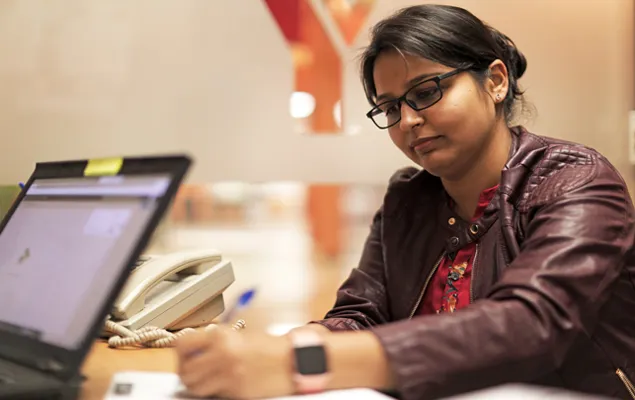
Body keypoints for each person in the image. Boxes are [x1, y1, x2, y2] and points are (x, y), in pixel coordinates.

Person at [175, 4, 635, 400]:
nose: (409, 121)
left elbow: (531, 323)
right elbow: (360, 313)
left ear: (495, 82)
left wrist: (303, 360)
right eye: (391, 107)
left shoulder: (573, 179)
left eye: (427, 92)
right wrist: (283, 347)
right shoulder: (408, 199)